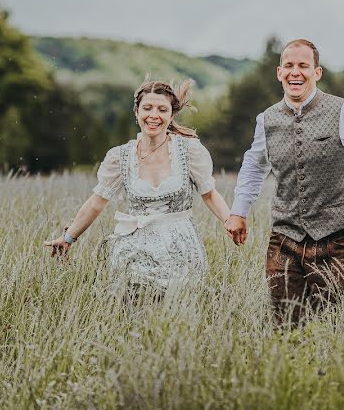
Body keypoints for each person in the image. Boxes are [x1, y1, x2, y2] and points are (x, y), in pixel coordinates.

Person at [224, 39, 344, 325]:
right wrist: (238, 212)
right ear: (279, 72)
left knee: (333, 323)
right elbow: (253, 168)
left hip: (333, 238)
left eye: (303, 66)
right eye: (290, 66)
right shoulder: (266, 120)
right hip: (283, 238)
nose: (296, 72)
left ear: (317, 72)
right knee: (285, 325)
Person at [44, 79, 233, 292]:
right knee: (132, 307)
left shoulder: (188, 151)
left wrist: (230, 220)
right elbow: (96, 203)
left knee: (174, 313)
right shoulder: (120, 156)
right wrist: (68, 237)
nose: (154, 115)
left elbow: (209, 194)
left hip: (180, 249)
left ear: (171, 116)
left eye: (162, 109)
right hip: (134, 248)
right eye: (147, 108)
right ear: (136, 112)